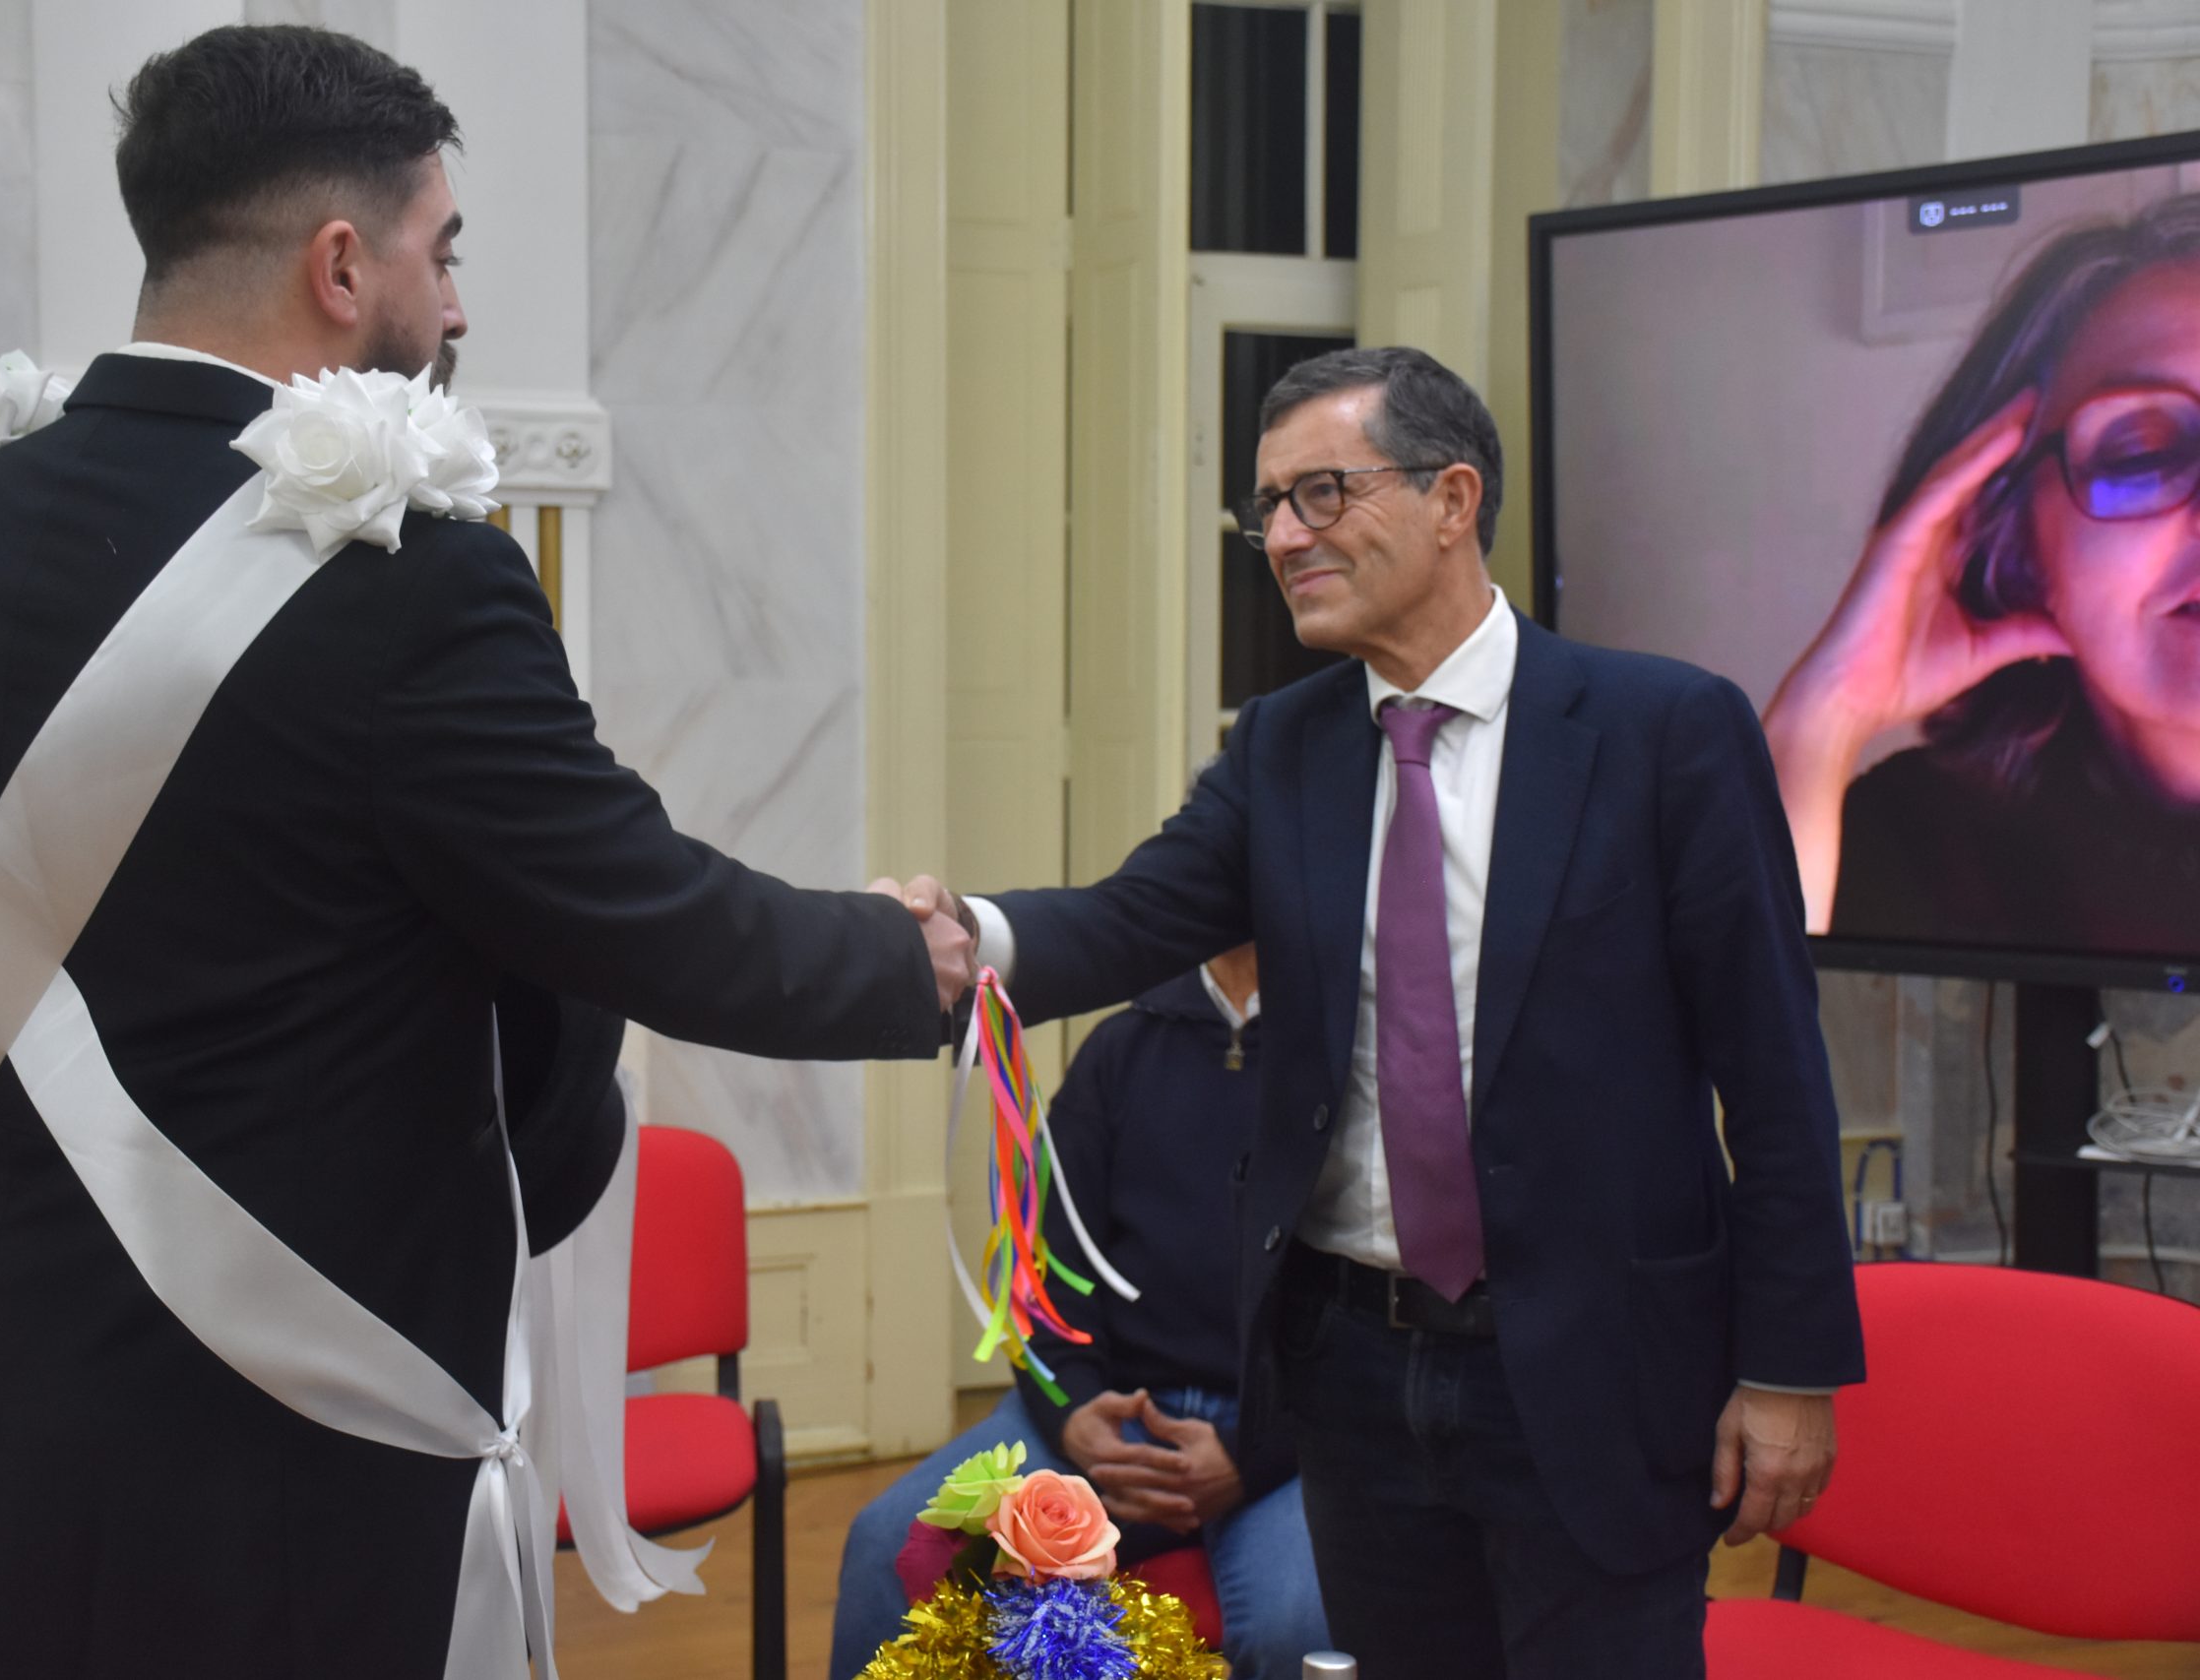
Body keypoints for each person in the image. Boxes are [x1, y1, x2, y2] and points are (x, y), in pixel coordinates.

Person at [0, 27, 971, 1678]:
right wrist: (915, 956)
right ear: (343, 265)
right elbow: (628, 919)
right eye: (446, 250)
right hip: (286, 1425)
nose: (461, 305)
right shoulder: (407, 577)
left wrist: (95, 1091)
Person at [925, 346, 1864, 1678]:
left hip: (1596, 1367)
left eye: (1322, 492)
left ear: (1451, 498)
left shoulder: (1664, 731)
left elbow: (1773, 1077)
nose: (1283, 537)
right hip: (1353, 1368)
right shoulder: (1285, 744)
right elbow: (1131, 917)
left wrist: (1788, 1369)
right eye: (1269, 507)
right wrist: (960, 938)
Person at [827, 944, 1331, 1680]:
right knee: (885, 1546)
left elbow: (1362, 1314)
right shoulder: (1120, 1050)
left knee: (1302, 1627)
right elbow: (1040, 1273)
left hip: (1285, 1438)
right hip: (1105, 1417)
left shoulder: (1343, 1054)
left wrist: (1253, 1455)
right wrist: (1073, 1412)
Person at [1765, 191, 2200, 953]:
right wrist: (1820, 721)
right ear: (2019, 542)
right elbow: (1725, 1022)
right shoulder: (1906, 845)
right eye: (2140, 452)